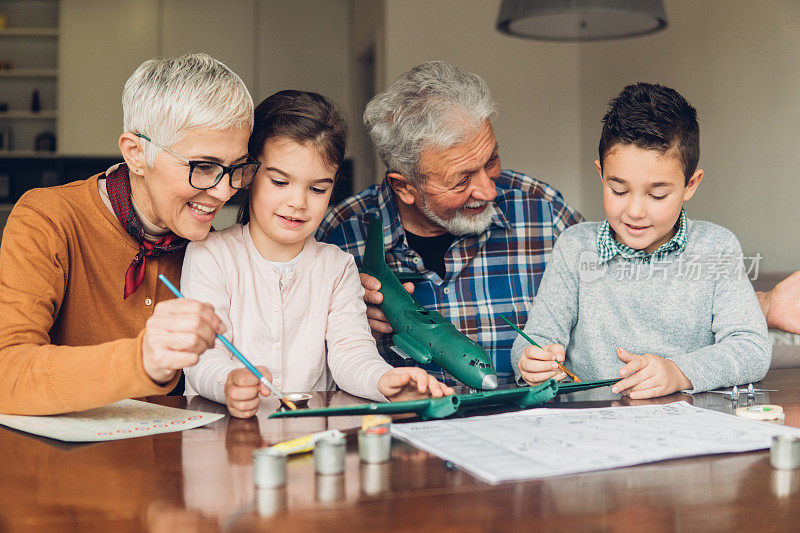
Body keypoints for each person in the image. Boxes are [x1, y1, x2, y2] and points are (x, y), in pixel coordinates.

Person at [317, 60, 799, 387]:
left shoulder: (543, 210)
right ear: (405, 187)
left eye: (492, 162)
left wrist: (757, 304)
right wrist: (341, 314)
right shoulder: (343, 234)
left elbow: (632, 275)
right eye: (463, 179)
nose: (488, 189)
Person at [0, 53, 254, 415]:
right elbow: (6, 375)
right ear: (136, 153)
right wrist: (143, 359)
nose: (225, 192)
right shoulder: (48, 218)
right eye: (203, 167)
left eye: (237, 169)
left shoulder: (213, 252)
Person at [182, 90, 453, 418]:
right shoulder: (210, 255)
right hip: (224, 443)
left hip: (308, 443)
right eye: (280, 182)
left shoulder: (337, 267)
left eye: (317, 189)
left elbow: (351, 353)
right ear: (248, 174)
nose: (298, 202)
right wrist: (228, 381)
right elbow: (202, 356)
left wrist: (384, 380)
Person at [512, 83, 770, 397]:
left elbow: (752, 348)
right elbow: (535, 340)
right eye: (618, 190)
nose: (635, 211)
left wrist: (679, 373)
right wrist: (530, 362)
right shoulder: (574, 248)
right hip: (589, 426)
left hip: (685, 428)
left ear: (691, 185)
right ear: (601, 174)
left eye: (657, 194)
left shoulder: (716, 248)